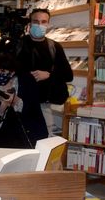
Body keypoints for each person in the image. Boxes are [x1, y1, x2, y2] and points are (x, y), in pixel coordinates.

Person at [16, 8, 73, 136]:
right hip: (20, 103)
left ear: (48, 24)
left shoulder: (54, 46)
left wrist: (48, 75)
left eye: (43, 22)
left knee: (44, 141)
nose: (39, 25)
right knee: (21, 141)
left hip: (45, 105)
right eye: (36, 21)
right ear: (29, 23)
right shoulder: (18, 44)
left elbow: (68, 75)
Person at [0, 53, 48, 163]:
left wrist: (17, 101)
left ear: (12, 71)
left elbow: (33, 108)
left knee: (25, 163)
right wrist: (4, 104)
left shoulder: (26, 80)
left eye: (3, 71)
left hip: (26, 129)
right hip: (3, 130)